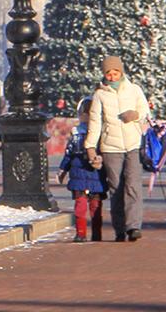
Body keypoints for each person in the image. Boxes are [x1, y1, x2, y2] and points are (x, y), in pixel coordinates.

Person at [84, 54, 152, 241]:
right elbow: (95, 122)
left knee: (133, 185)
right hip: (110, 148)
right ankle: (120, 228)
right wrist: (90, 147)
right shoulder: (99, 95)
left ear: (121, 72)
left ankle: (133, 227)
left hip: (133, 144)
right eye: (109, 73)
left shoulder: (134, 90)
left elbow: (145, 111)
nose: (112, 76)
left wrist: (135, 114)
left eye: (115, 72)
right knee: (116, 188)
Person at [56, 96, 107, 241]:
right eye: (84, 113)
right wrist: (62, 170)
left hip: (94, 175)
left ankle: (92, 234)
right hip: (83, 174)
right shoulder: (77, 134)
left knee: (94, 206)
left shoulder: (99, 133)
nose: (87, 117)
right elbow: (69, 154)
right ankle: (82, 233)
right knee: (82, 206)